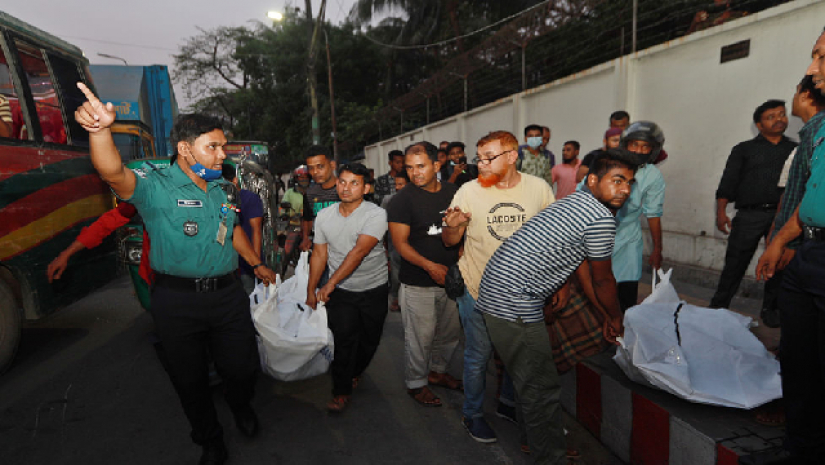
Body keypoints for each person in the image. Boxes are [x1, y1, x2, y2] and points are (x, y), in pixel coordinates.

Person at [73, 83, 277, 465]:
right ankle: (209, 439)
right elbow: (113, 173)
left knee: (243, 367)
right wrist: (100, 131)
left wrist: (258, 263)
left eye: (222, 147)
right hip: (176, 301)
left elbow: (230, 231)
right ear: (185, 149)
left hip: (227, 296)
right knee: (190, 379)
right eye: (212, 147)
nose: (222, 155)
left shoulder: (222, 188)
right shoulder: (156, 186)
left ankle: (241, 406)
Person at [476, 150, 632, 465]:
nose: (625, 189)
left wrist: (603, 314)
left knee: (529, 380)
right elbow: (602, 280)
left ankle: (535, 442)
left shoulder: (575, 202)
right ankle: (549, 456)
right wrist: (615, 317)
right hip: (514, 298)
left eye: (630, 182)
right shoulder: (600, 217)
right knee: (540, 385)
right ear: (592, 180)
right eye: (617, 181)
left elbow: (581, 266)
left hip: (499, 289)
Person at [442, 130, 554, 443]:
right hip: (476, 288)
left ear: (511, 156)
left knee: (518, 356)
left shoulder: (539, 189)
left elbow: (551, 240)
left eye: (489, 158)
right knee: (477, 358)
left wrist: (554, 283)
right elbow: (450, 240)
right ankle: (472, 414)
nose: (482, 165)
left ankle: (507, 404)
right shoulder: (468, 191)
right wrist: (453, 229)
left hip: (522, 292)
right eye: (479, 159)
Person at [754, 28, 825, 462]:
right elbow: (809, 197)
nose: (810, 69)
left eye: (820, 57)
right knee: (800, 365)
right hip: (810, 253)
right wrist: (779, 241)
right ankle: (800, 447)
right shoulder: (821, 133)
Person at [306, 162, 388, 413]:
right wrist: (311, 289)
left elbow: (359, 252)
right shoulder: (324, 216)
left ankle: (356, 371)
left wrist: (329, 283)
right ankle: (341, 391)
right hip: (342, 293)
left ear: (365, 188)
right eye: (342, 181)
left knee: (370, 340)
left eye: (354, 183)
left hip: (374, 287)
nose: (346, 188)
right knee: (343, 340)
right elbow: (319, 254)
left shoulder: (375, 214)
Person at [387, 142, 462, 407]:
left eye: (421, 166)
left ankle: (438, 372)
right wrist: (430, 266)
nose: (414, 172)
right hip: (417, 283)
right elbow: (401, 245)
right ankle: (416, 383)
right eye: (409, 167)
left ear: (437, 166)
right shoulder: (401, 201)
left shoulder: (455, 193)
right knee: (420, 337)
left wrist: (460, 265)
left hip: (453, 281)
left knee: (450, 334)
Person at [710, 100, 796, 309]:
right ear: (759, 124)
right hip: (750, 216)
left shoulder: (795, 149)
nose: (778, 119)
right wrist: (721, 213)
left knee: (777, 265)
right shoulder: (744, 149)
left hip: (783, 217)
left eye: (781, 114)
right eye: (771, 117)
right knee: (735, 264)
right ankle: (717, 308)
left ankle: (771, 312)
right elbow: (728, 183)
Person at [762, 76, 825, 328]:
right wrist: (779, 237)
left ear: (805, 96)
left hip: (807, 245)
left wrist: (789, 242)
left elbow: (802, 196)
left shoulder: (816, 132)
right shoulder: (809, 134)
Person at [609, 121, 666, 310]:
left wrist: (657, 249)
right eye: (634, 144)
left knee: (627, 287)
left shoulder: (653, 176)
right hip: (599, 232)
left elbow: (654, 213)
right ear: (625, 144)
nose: (639, 150)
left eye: (645, 146)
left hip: (629, 237)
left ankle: (623, 330)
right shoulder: (606, 165)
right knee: (598, 284)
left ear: (653, 150)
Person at [222, 164, 264, 295]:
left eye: (224, 183)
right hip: (229, 263)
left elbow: (256, 230)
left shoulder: (249, 198)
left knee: (251, 298)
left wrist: (256, 263)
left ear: (234, 180)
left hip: (247, 262)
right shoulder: (218, 200)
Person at [299, 146, 340, 251]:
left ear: (332, 165)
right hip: (320, 250)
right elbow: (307, 219)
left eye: (320, 166)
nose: (315, 172)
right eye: (311, 168)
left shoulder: (346, 190)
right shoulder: (309, 194)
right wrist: (305, 238)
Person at [382, 171, 409, 312]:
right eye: (396, 184)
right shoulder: (388, 200)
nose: (398, 187)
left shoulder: (415, 199)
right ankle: (395, 298)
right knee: (395, 275)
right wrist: (385, 247)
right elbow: (383, 226)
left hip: (411, 244)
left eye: (401, 184)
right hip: (394, 245)